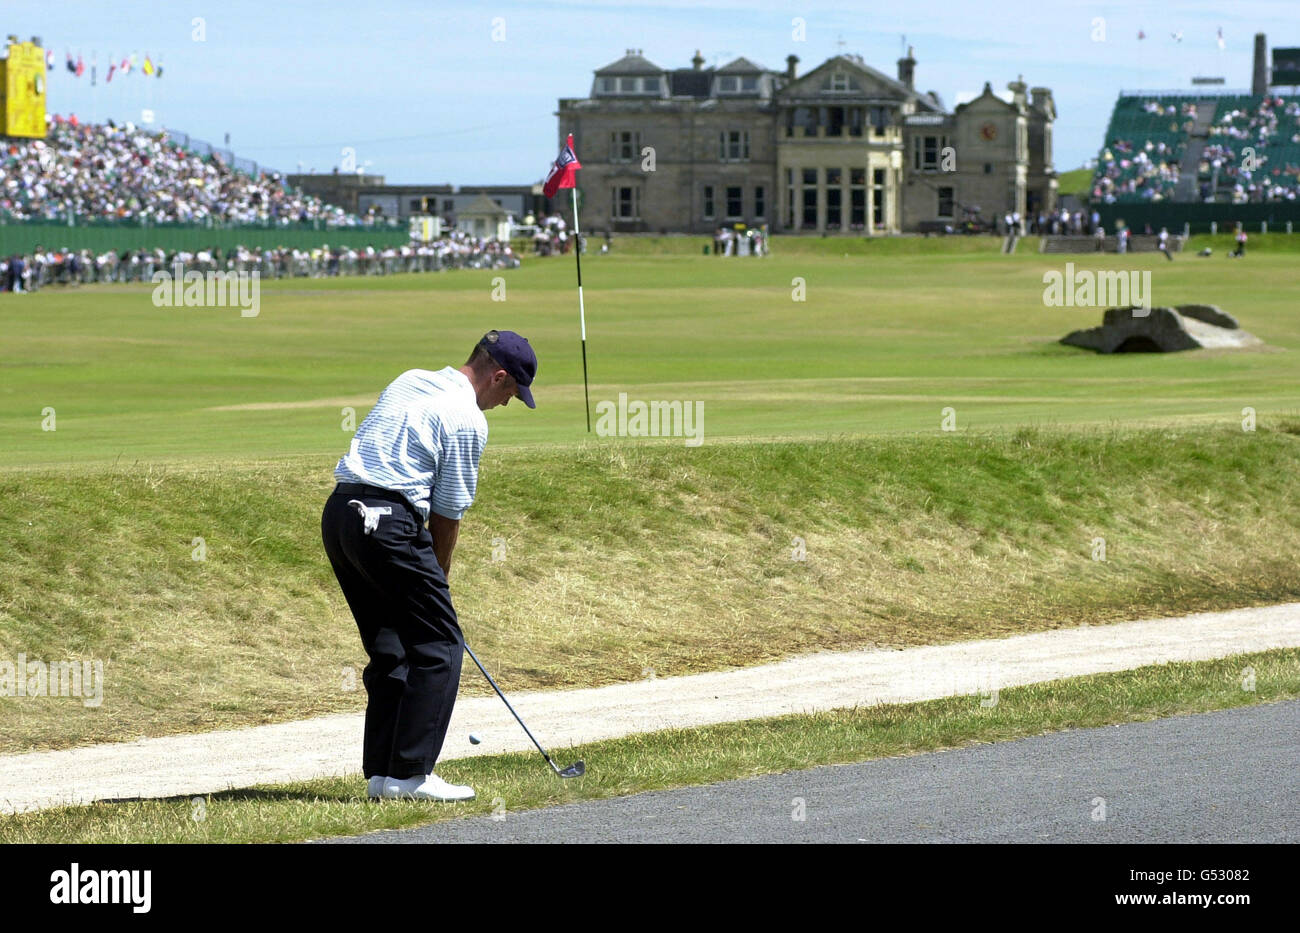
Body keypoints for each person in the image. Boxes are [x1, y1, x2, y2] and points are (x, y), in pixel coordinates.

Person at [321, 330, 538, 802]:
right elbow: (447, 515)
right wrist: (438, 584)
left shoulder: (412, 378)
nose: (505, 404)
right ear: (498, 376)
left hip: (341, 514)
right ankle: (412, 774)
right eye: (510, 393)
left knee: (391, 646)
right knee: (440, 643)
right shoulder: (467, 419)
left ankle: (383, 774)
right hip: (389, 523)